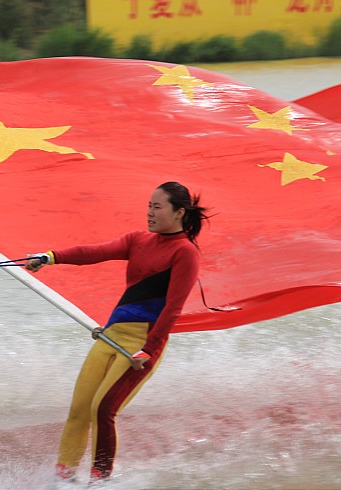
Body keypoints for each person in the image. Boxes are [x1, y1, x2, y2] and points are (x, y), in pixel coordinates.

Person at [25, 181, 210, 486]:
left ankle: (100, 481)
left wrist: (149, 351)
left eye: (157, 207)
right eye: (148, 205)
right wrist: (50, 257)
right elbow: (93, 252)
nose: (149, 212)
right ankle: (64, 479)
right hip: (112, 335)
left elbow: (173, 309)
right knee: (79, 409)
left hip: (141, 346)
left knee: (104, 409)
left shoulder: (185, 253)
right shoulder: (138, 240)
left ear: (179, 212)